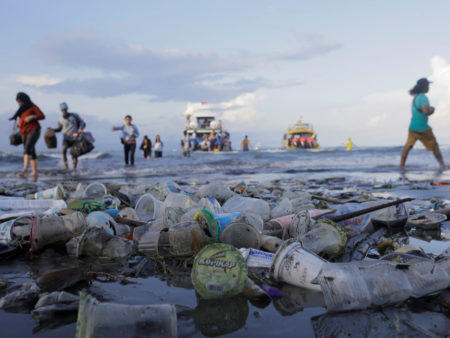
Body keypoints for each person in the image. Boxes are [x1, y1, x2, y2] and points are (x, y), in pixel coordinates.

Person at [400, 78, 446, 170]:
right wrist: (432, 110)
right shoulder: (423, 97)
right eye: (428, 85)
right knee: (434, 146)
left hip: (412, 127)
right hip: (423, 128)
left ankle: (401, 166)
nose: (429, 87)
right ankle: (442, 165)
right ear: (424, 87)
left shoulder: (415, 98)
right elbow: (425, 111)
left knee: (407, 147)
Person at [13, 92, 45, 181]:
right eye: (18, 102)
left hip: (34, 129)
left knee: (27, 148)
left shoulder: (33, 107)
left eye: (20, 101)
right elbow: (22, 120)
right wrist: (19, 124)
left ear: (24, 100)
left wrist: (32, 117)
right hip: (23, 131)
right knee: (32, 151)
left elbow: (42, 116)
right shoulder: (21, 109)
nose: (19, 103)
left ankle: (24, 171)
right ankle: (35, 173)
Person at [51, 102, 86, 169]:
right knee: (63, 150)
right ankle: (66, 167)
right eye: (62, 110)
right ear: (61, 111)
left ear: (67, 109)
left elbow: (82, 122)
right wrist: (53, 130)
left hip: (75, 137)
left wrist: (81, 128)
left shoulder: (74, 115)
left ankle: (74, 168)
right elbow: (59, 129)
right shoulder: (60, 119)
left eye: (65, 109)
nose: (64, 111)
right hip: (66, 138)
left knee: (75, 154)